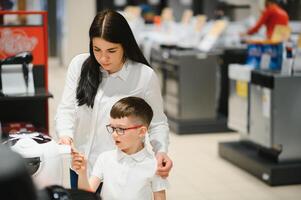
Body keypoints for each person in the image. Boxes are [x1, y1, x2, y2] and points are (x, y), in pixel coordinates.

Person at [55, 9, 172, 188]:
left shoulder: (144, 76)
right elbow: (67, 109)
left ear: (125, 45)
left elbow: (157, 123)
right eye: (96, 49)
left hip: (122, 172)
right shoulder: (79, 66)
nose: (103, 58)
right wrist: (65, 136)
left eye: (111, 50)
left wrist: (161, 151)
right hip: (81, 168)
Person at [72, 96, 168, 200]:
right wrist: (82, 173)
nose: (114, 134)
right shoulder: (105, 159)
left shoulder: (154, 165)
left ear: (141, 132)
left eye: (120, 129)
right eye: (112, 128)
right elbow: (86, 196)